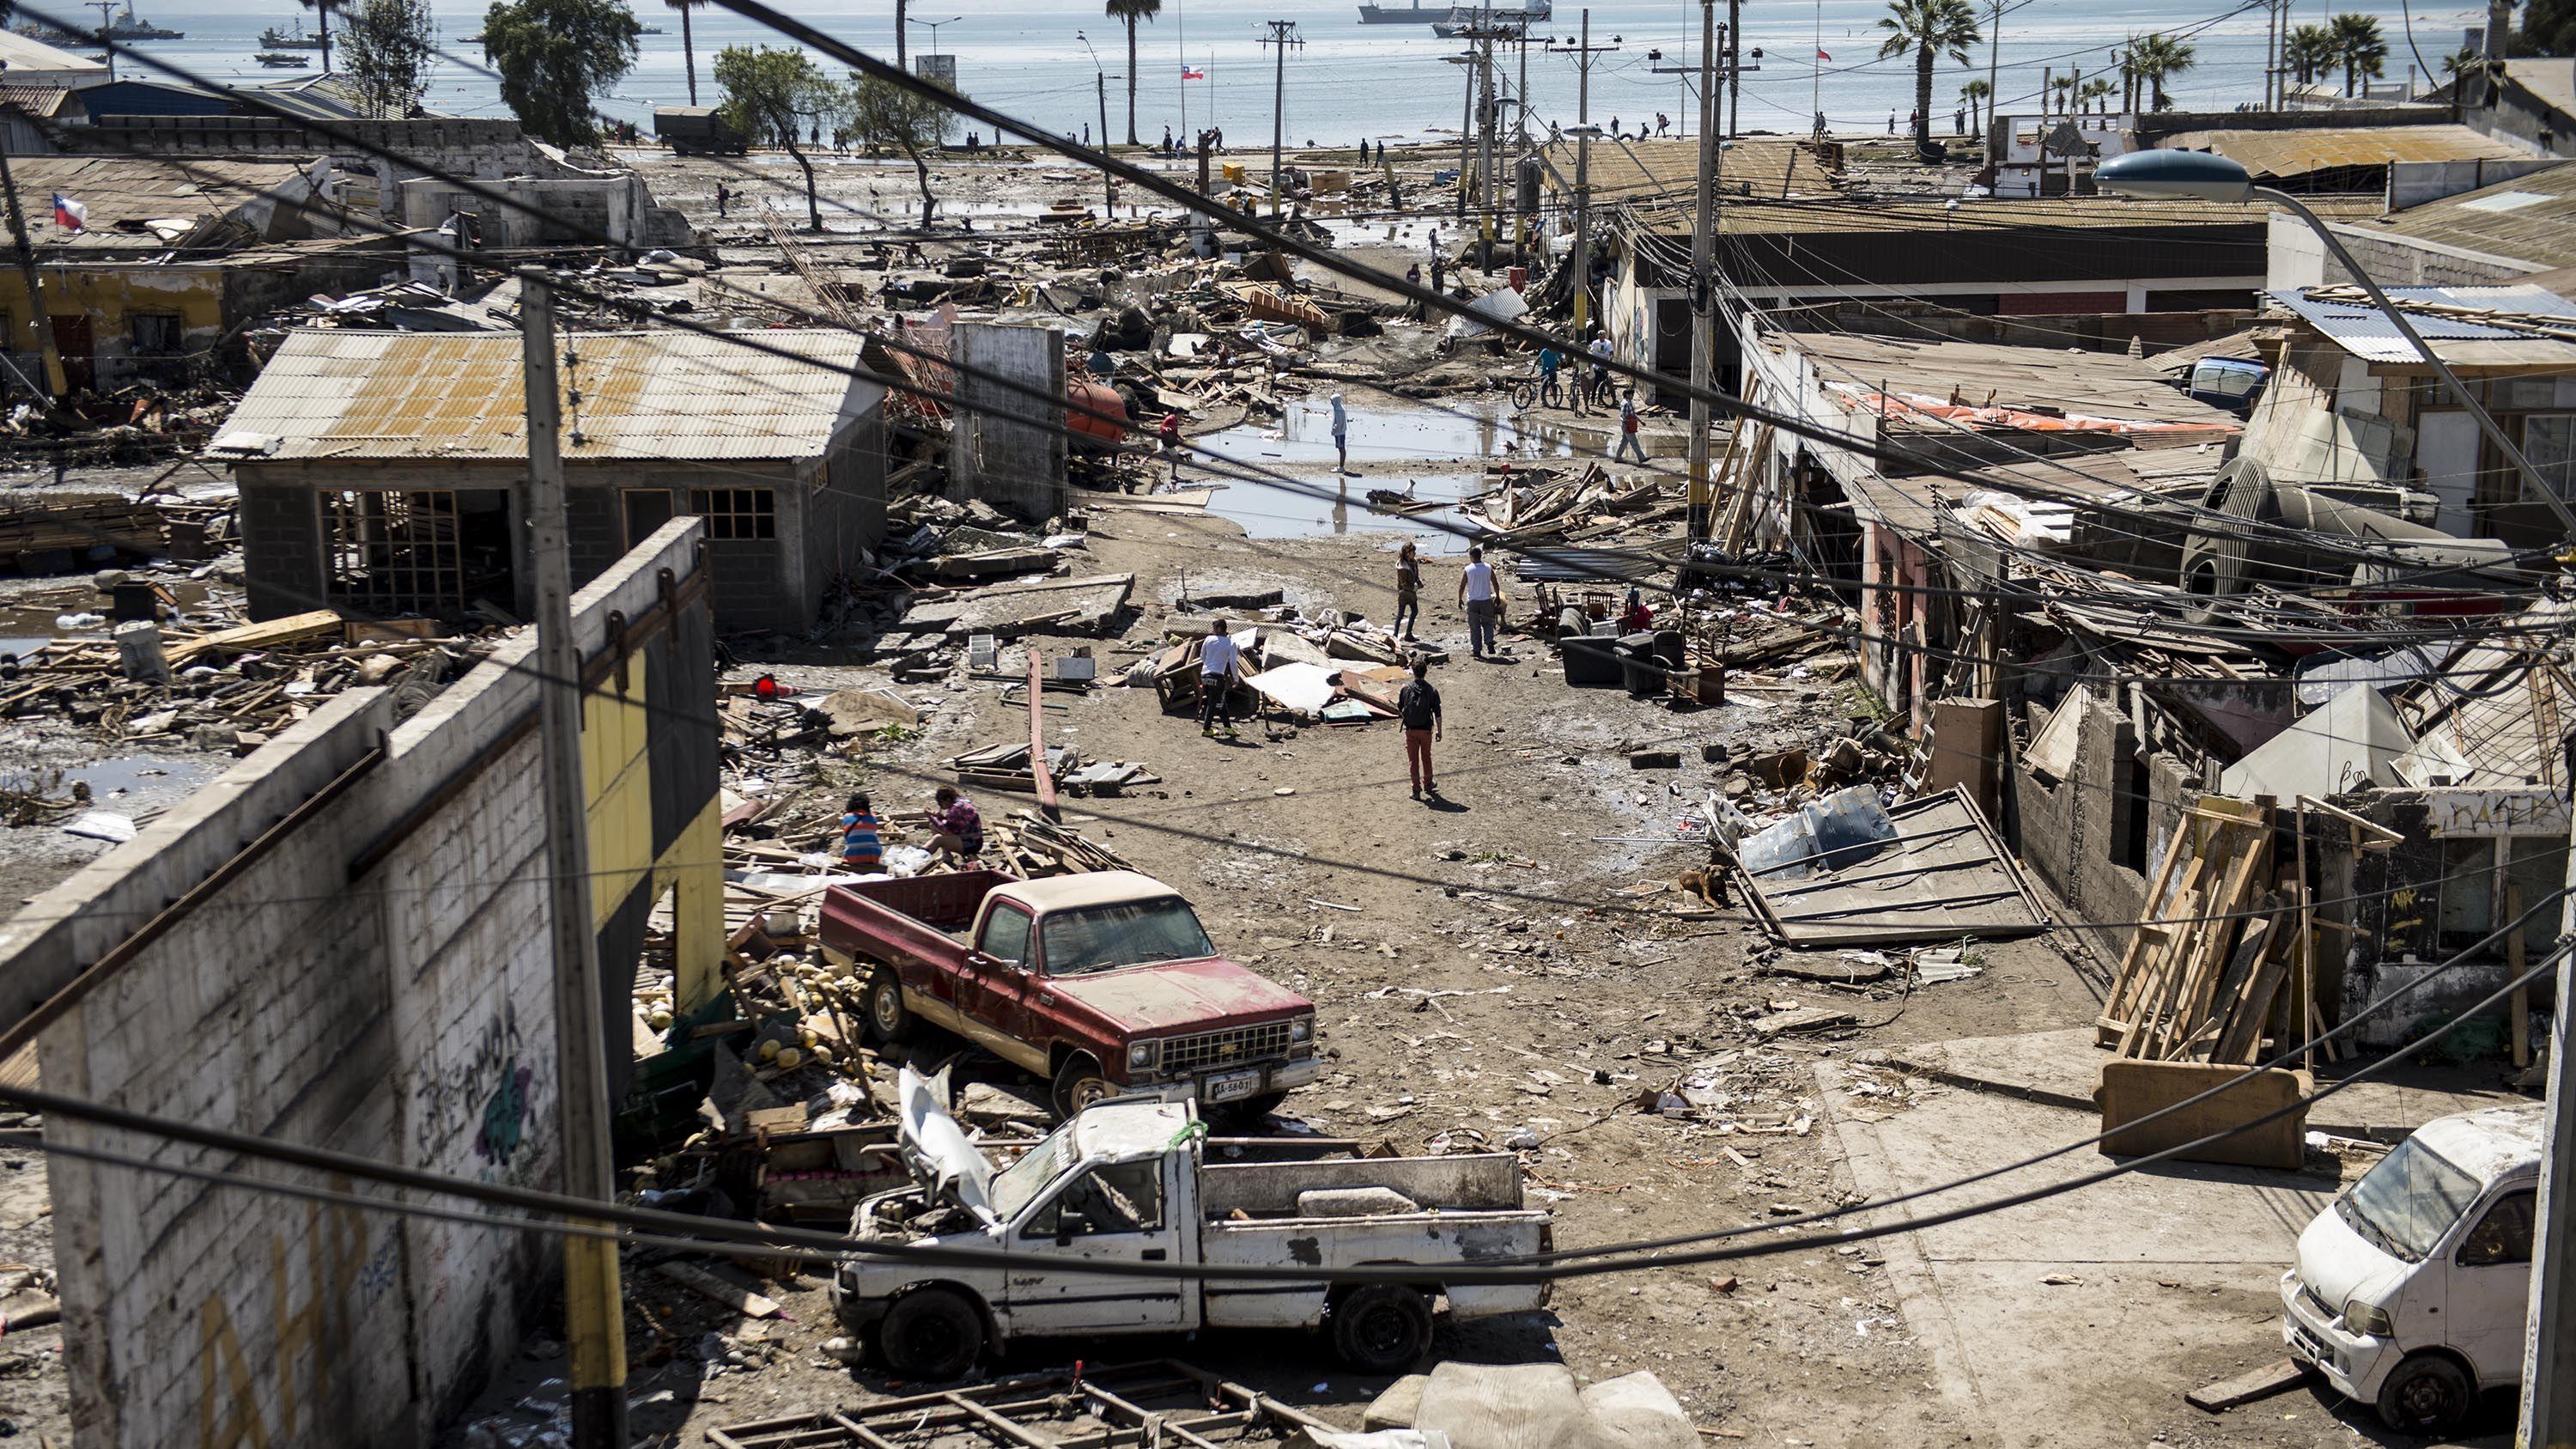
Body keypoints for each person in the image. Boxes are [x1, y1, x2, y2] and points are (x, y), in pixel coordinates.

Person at [1397, 658, 1443, 800]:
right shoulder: (1432, 690)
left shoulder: (1405, 689)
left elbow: (1400, 707)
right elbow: (1438, 713)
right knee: (1426, 757)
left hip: (1411, 730)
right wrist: (1439, 731)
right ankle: (1428, 784)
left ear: (1413, 672)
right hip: (1426, 730)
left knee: (1413, 761)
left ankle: (1416, 791)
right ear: (1426, 672)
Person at [1199, 618, 1244, 737]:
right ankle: (1206, 729)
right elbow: (1233, 663)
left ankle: (1228, 728)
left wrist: (1209, 665)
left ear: (1219, 629)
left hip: (1204, 675)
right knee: (1213, 703)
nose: (1213, 631)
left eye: (1214, 629)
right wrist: (1236, 679)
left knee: (1219, 701)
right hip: (1217, 676)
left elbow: (1202, 656)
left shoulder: (1208, 639)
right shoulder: (1231, 643)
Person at [1458, 545, 1500, 658]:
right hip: (1486, 600)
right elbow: (1495, 583)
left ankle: (1477, 650)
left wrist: (1459, 598)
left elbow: (1462, 586)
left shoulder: (1468, 569)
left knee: (1475, 626)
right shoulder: (1488, 567)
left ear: (1471, 557)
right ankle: (1489, 641)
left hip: (1473, 601)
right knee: (1488, 623)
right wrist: (1497, 596)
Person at [928, 786, 983, 861]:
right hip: (971, 839)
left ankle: (920, 857)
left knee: (938, 840)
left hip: (971, 844)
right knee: (933, 825)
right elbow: (953, 825)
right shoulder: (961, 802)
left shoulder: (955, 809)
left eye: (941, 803)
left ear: (948, 800)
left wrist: (930, 817)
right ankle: (946, 855)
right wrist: (940, 818)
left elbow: (947, 830)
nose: (940, 806)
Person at [840, 793, 882, 872]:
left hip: (852, 858)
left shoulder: (847, 817)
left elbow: (846, 836)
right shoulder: (873, 817)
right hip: (872, 857)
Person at [1394, 541, 1422, 639]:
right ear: (1407, 553)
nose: (1414, 554)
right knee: (1400, 615)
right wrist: (1414, 587)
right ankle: (1395, 635)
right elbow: (1403, 584)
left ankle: (1408, 634)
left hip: (1412, 591)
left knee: (1414, 611)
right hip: (1404, 592)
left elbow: (1415, 575)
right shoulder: (1402, 567)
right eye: (1413, 552)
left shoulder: (1413, 562)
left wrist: (1418, 582)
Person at [1614, 387, 1648, 462]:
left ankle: (1618, 457)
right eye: (1632, 394)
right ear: (1627, 395)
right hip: (1627, 426)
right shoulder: (1626, 403)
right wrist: (1627, 425)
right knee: (1634, 443)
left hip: (1627, 425)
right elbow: (1624, 416)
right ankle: (1641, 458)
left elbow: (1632, 414)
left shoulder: (1628, 402)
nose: (1633, 396)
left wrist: (1640, 421)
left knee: (1624, 442)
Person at [1586, 332, 1613, 409]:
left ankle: (1600, 399)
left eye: (1602, 335)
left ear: (1605, 336)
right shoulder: (1595, 343)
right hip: (1596, 365)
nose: (1601, 336)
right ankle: (1592, 398)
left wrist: (1609, 362)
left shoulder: (1608, 343)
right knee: (1596, 383)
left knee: (1603, 383)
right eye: (1599, 335)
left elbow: (1611, 353)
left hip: (1604, 365)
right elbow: (1591, 352)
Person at [1158, 408, 1184, 480]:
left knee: (1159, 451)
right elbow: (1161, 427)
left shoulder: (1176, 420)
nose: (1183, 415)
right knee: (1175, 456)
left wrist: (1179, 437)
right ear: (1179, 413)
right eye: (1182, 414)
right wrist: (1166, 429)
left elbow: (1175, 432)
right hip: (1166, 440)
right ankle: (1173, 475)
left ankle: (1173, 474)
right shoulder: (1169, 418)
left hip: (1170, 440)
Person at [1536, 343, 1563, 407]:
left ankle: (1555, 401)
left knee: (1554, 387)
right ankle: (1543, 401)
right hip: (1544, 371)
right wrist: (1533, 368)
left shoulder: (1557, 352)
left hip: (1552, 372)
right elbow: (1538, 359)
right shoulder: (1544, 351)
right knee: (1543, 387)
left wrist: (1556, 367)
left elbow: (1561, 361)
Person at [1330, 392, 1350, 474]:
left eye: (1332, 401)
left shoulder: (1338, 410)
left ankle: (1341, 467)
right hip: (1341, 432)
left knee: (1341, 448)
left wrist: (1333, 430)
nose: (1331, 403)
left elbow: (1339, 423)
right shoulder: (1340, 408)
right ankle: (1341, 466)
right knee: (1341, 448)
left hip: (1339, 433)